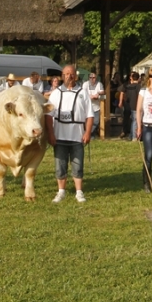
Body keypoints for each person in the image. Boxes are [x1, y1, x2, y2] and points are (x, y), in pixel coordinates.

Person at [45, 65, 93, 203]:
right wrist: (51, 133)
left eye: (71, 74)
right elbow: (48, 115)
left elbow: (89, 115)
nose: (69, 76)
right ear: (62, 75)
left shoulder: (83, 93)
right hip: (60, 135)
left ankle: (79, 191)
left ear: (75, 76)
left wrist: (88, 132)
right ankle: (61, 191)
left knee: (77, 164)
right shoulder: (55, 93)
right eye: (66, 74)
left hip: (77, 135)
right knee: (60, 164)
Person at [82, 70, 105, 139]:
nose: (92, 79)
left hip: (96, 107)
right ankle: (89, 135)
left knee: (96, 121)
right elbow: (82, 93)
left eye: (94, 77)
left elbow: (103, 91)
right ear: (88, 78)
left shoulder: (99, 84)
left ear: (96, 78)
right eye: (91, 77)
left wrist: (97, 94)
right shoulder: (85, 84)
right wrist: (89, 96)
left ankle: (89, 134)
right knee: (86, 122)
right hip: (87, 107)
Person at [120, 72, 141, 140]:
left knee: (132, 121)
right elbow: (139, 96)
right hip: (136, 105)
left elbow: (125, 96)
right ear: (138, 78)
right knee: (135, 121)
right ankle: (134, 137)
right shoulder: (138, 86)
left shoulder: (128, 86)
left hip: (129, 105)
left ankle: (131, 136)